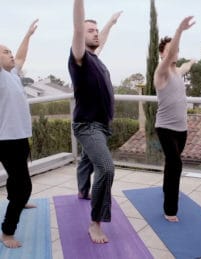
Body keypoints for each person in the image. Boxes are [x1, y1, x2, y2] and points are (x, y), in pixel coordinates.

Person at [68, 0, 121, 244]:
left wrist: (109, 23)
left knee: (88, 160)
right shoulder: (79, 58)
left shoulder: (95, 58)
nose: (95, 33)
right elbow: (79, 29)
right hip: (88, 125)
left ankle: (82, 189)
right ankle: (95, 223)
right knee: (106, 168)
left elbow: (104, 38)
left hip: (101, 124)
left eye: (96, 31)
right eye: (91, 30)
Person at [0, 19, 38, 248]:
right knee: (24, 186)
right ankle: (7, 232)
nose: (11, 54)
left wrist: (28, 35)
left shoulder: (12, 73)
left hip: (20, 136)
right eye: (6, 52)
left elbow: (21, 57)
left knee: (17, 177)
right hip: (5, 139)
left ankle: (18, 201)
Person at [154, 16, 196, 222]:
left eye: (176, 50)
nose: (174, 52)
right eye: (170, 50)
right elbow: (171, 53)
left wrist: (192, 62)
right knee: (176, 164)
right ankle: (170, 209)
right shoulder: (161, 73)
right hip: (165, 128)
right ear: (163, 53)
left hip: (182, 129)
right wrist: (179, 30)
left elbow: (184, 67)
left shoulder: (178, 72)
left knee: (172, 165)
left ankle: (166, 189)